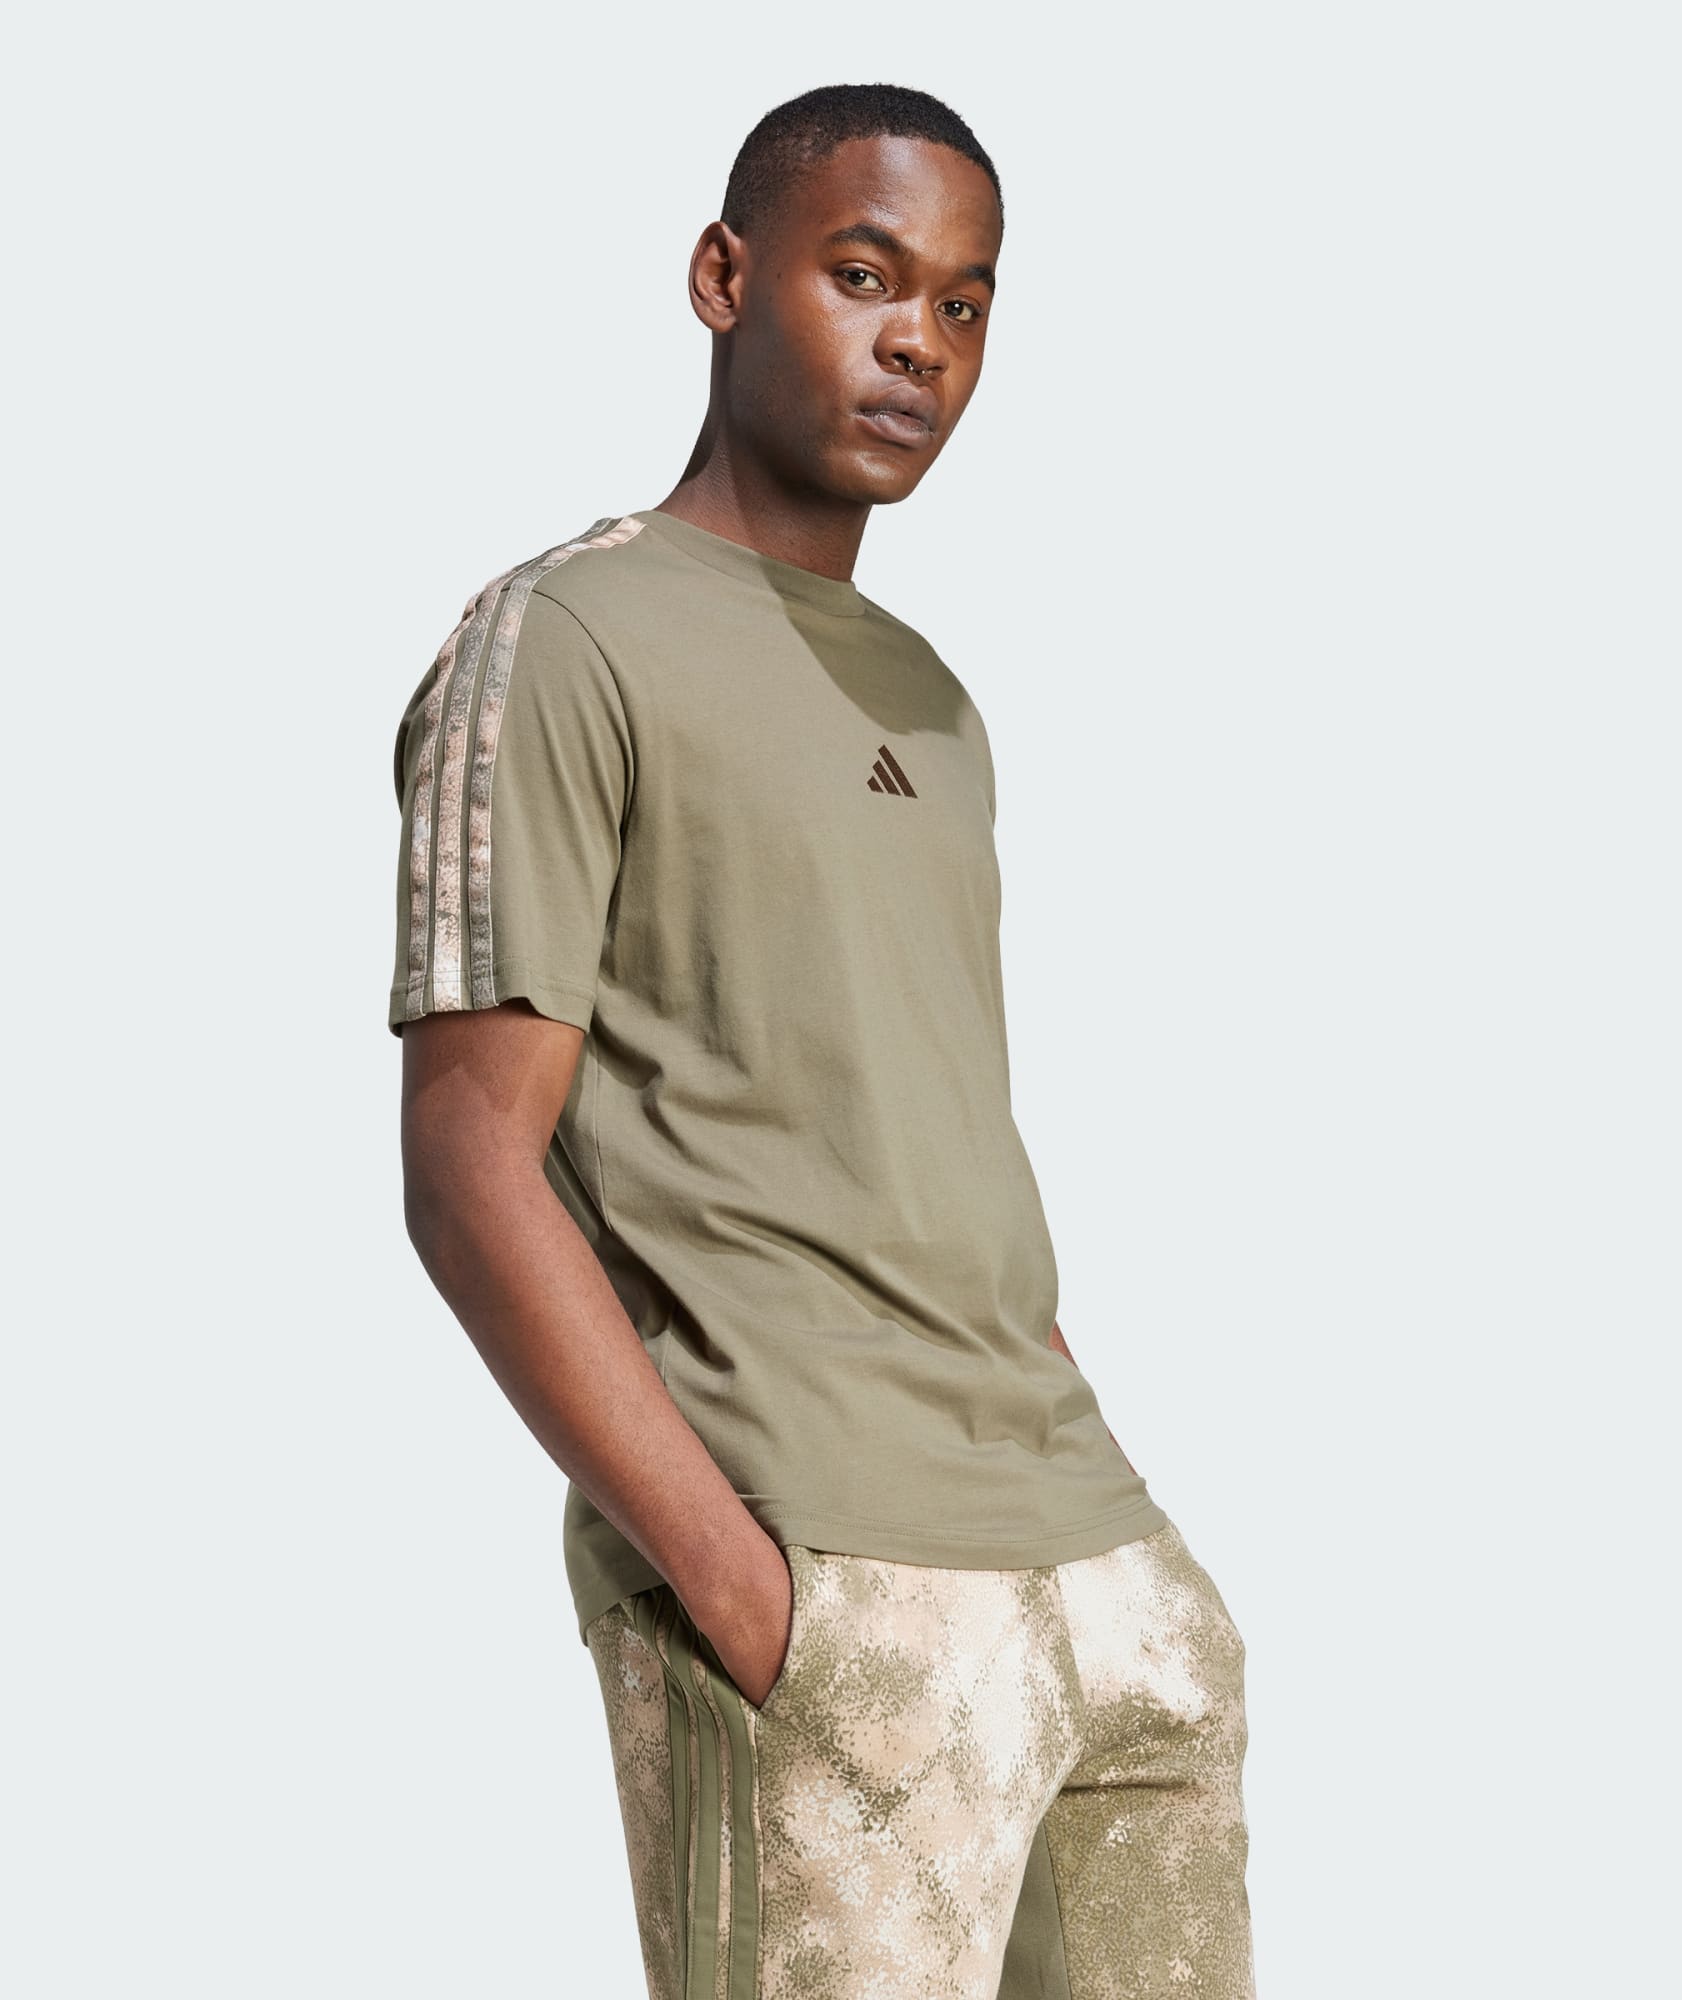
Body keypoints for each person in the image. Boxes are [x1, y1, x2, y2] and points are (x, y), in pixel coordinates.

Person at [386, 81, 1256, 2000]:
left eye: (963, 304)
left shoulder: (933, 702)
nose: (917, 343)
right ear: (723, 275)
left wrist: (1129, 1548)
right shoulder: (567, 638)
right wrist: (733, 1580)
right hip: (826, 1574)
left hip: (1101, 1579)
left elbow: (924, 1124)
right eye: (863, 276)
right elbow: (467, 1161)